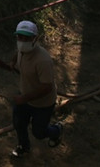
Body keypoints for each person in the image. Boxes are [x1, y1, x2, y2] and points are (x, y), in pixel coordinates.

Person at [9, 20, 62, 158]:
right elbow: (18, 52)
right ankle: (23, 146)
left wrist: (24, 98)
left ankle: (56, 130)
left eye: (27, 38)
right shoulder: (22, 50)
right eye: (20, 37)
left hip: (42, 104)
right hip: (25, 96)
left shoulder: (43, 61)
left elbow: (47, 87)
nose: (22, 41)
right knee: (19, 123)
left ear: (35, 39)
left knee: (39, 133)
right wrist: (13, 61)